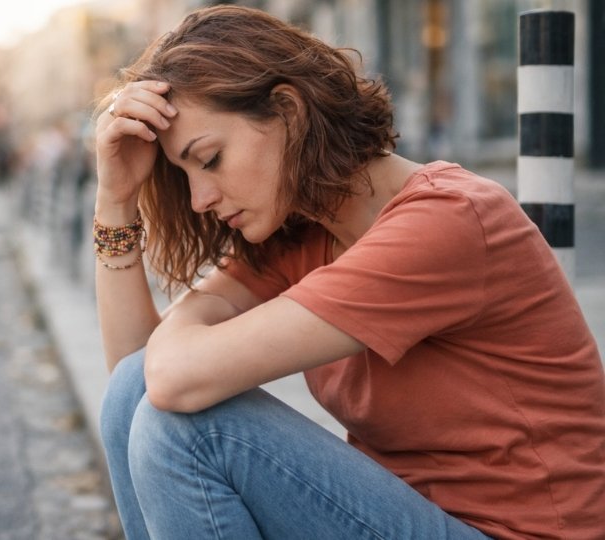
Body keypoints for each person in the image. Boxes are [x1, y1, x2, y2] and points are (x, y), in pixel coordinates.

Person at [91, 5, 605, 539]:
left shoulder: (446, 221)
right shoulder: (305, 231)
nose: (199, 199)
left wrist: (175, 348)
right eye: (185, 175)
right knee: (134, 387)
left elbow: (173, 380)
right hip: (406, 519)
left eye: (210, 159)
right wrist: (116, 200)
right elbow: (135, 374)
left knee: (188, 429)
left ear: (288, 112)